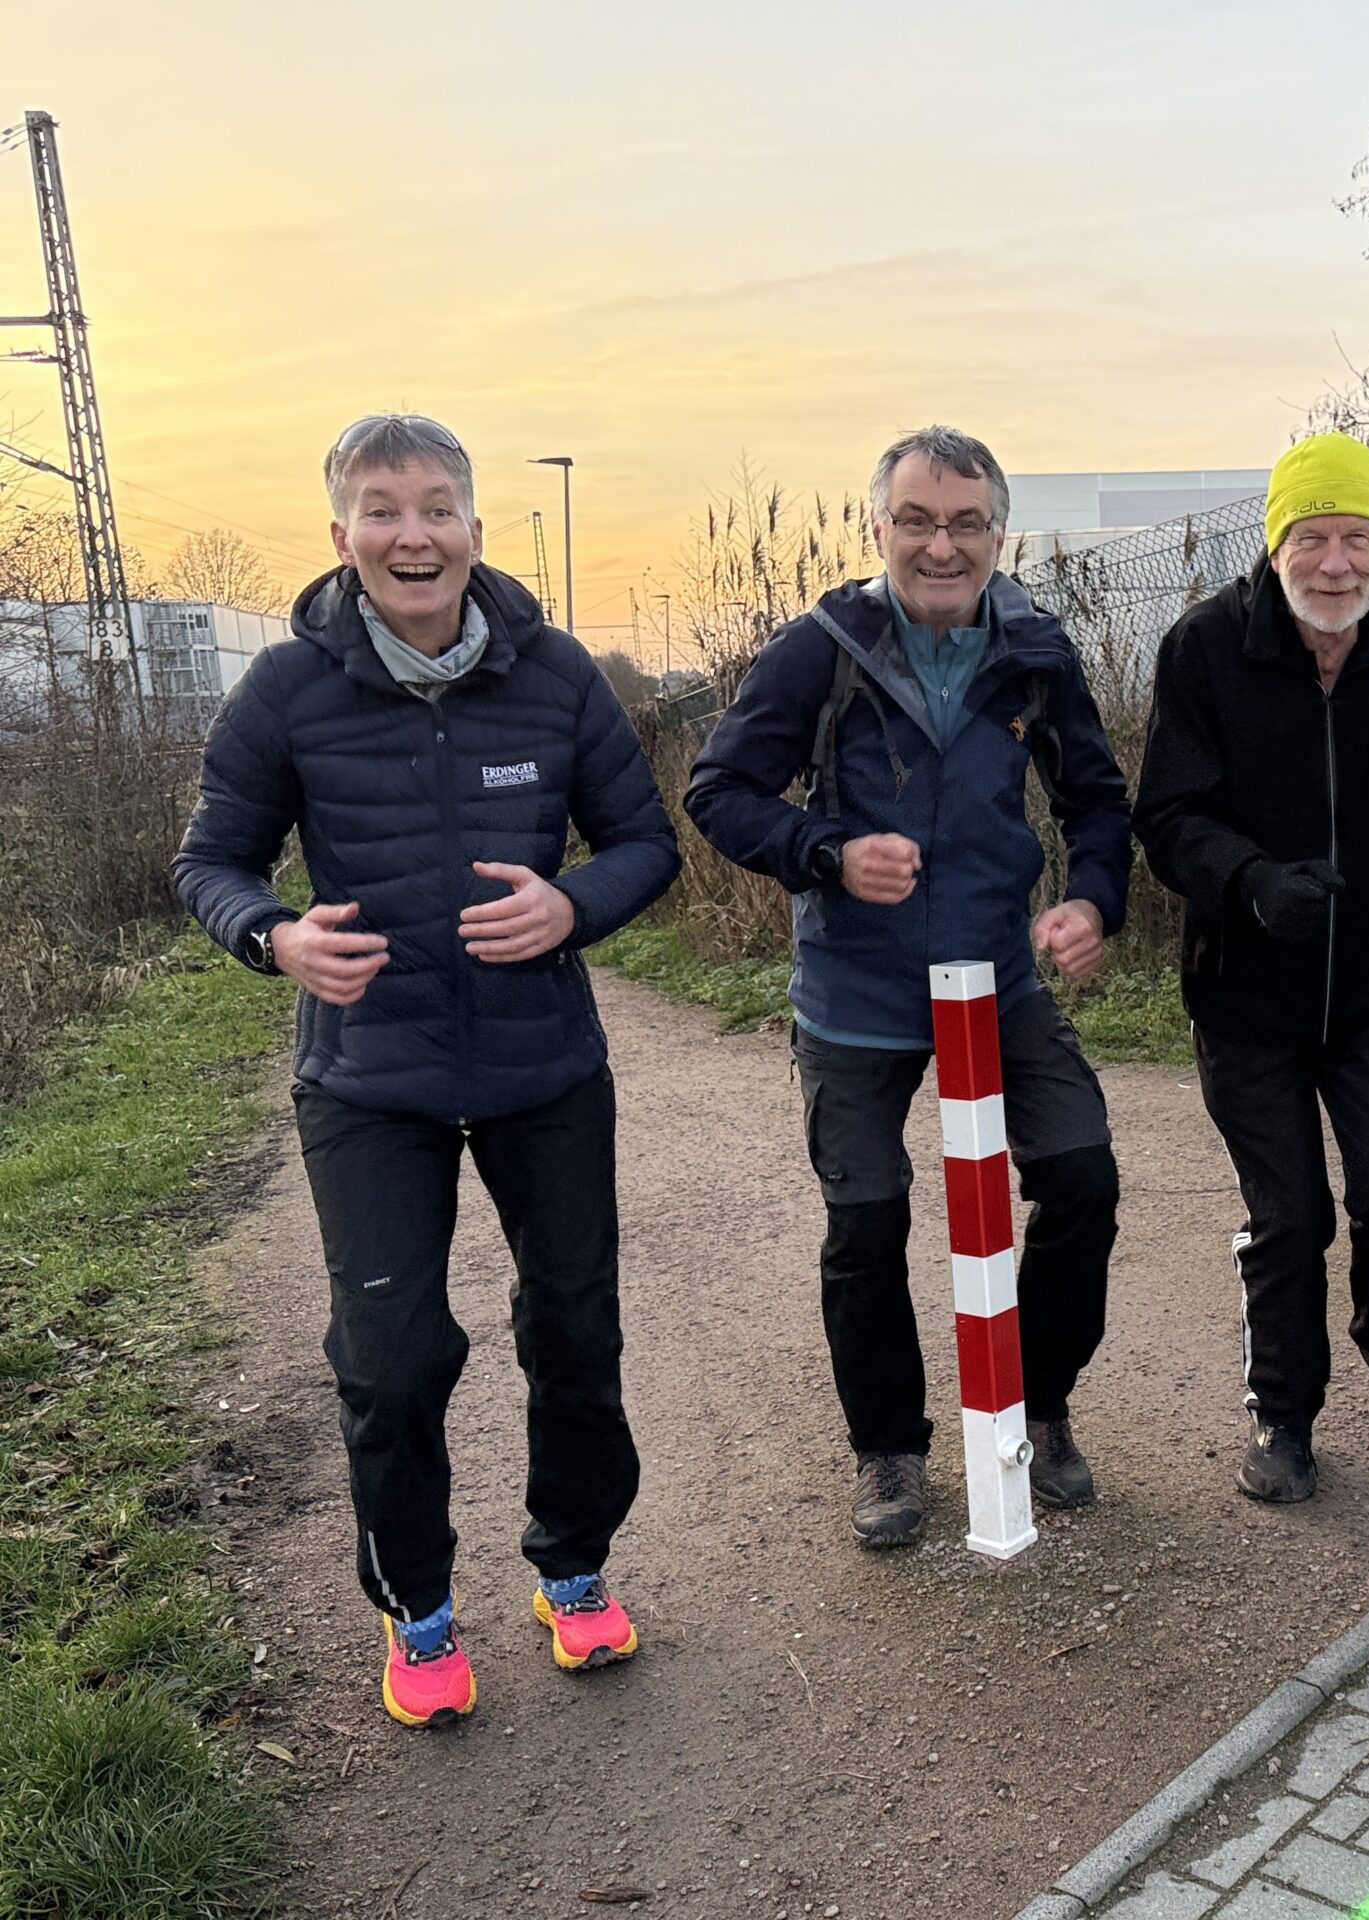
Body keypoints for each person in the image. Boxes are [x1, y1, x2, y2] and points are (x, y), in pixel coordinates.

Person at [172, 414, 679, 1728]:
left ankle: (573, 1569)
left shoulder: (557, 674)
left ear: (473, 528)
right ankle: (419, 1607)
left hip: (543, 1067)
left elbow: (644, 842)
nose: (413, 535)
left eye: (437, 507)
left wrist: (573, 906)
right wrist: (272, 935)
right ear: (341, 533)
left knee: (575, 1330)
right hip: (367, 1081)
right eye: (383, 510)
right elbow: (209, 862)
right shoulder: (285, 690)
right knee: (392, 1359)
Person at [684, 425, 1130, 1549]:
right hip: (856, 990)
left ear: (998, 535)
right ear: (878, 528)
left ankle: (1035, 1407)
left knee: (1082, 1177)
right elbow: (719, 790)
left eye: (967, 523)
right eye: (918, 521)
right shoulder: (818, 649)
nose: (942, 546)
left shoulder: (1037, 649)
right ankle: (887, 1449)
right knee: (866, 1220)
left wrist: (1092, 901)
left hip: (998, 979)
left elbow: (1095, 799)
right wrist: (826, 853)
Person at [1134, 433, 1369, 1503]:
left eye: (1357, 538)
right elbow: (1167, 818)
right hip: (1246, 994)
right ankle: (1283, 1415)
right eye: (1312, 538)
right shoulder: (1206, 647)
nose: (1336, 564)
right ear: (1275, 542)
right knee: (1290, 1217)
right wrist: (1250, 881)